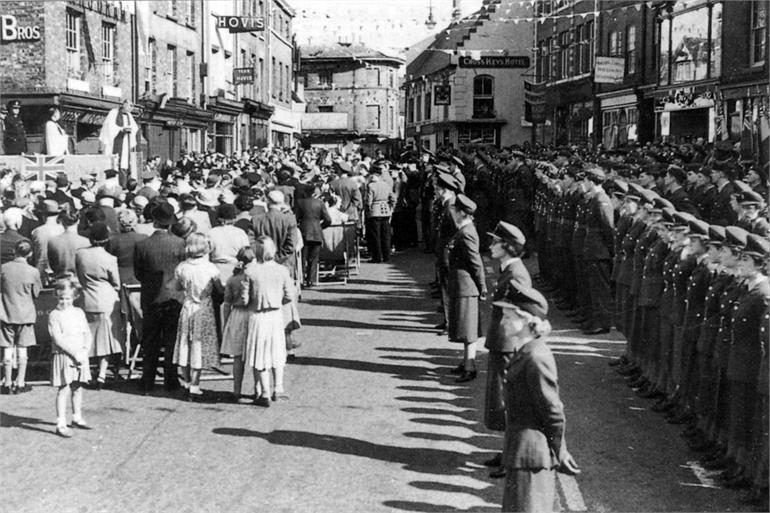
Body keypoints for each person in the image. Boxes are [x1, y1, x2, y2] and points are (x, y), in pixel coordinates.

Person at [495, 293, 580, 513]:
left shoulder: (536, 356)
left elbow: (553, 411)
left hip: (531, 457)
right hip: (521, 454)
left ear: (527, 320)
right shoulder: (525, 351)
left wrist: (560, 451)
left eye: (508, 316)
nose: (502, 321)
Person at [482, 221, 532, 476]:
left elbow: (524, 313)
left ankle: (510, 457)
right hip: (501, 341)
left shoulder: (517, 274)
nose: (491, 246)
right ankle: (506, 451)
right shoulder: (508, 269)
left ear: (508, 247)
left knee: (507, 401)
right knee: (500, 398)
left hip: (508, 343)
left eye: (495, 242)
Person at [133, 201, 185, 393]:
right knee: (172, 340)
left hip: (151, 297)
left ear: (154, 221)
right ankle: (171, 380)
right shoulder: (180, 244)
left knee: (151, 340)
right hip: (174, 297)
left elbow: (139, 273)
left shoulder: (142, 245)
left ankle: (147, 380)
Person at [243, 236, 294, 407]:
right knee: (277, 352)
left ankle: (264, 391)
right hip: (275, 314)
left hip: (257, 315)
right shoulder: (282, 270)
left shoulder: (250, 271)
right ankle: (278, 388)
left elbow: (244, 299)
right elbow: (289, 295)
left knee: (260, 354)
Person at [172, 233, 223, 400]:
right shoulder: (210, 268)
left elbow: (176, 287)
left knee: (185, 344)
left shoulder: (182, 267)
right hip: (204, 306)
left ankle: (187, 382)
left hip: (187, 306)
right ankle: (195, 384)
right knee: (198, 346)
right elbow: (219, 289)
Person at [76, 222, 123, 388]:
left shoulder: (80, 254)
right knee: (106, 340)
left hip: (86, 299)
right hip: (106, 300)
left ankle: (86, 372)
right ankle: (102, 374)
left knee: (87, 338)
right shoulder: (110, 258)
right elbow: (116, 283)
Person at [446, 194, 487, 383]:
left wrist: (482, 286)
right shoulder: (464, 229)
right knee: (464, 326)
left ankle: (470, 367)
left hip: (467, 287)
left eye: (455, 210)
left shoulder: (467, 232)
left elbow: (475, 262)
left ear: (462, 213)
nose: (453, 213)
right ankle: (465, 362)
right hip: (462, 285)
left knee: (468, 329)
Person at [47, 275, 93, 438]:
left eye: (67, 298)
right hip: (64, 355)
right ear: (56, 297)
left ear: (74, 297)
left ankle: (77, 417)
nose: (64, 301)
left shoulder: (79, 312)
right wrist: (74, 354)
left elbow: (87, 333)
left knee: (77, 387)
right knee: (64, 388)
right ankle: (60, 423)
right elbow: (57, 339)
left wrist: (84, 351)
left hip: (80, 354)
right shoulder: (54, 315)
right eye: (61, 298)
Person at [0, 240, 42, 395]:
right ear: (30, 253)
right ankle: (20, 381)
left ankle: (7, 381)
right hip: (25, 315)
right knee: (23, 350)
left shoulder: (3, 269)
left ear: (14, 251)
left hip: (5, 313)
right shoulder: (33, 272)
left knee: (7, 350)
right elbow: (36, 293)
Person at [221, 246, 254, 403]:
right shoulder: (253, 278)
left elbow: (226, 303)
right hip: (252, 314)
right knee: (255, 355)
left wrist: (226, 322)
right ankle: (258, 389)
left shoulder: (232, 279)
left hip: (236, 315)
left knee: (237, 356)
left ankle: (236, 390)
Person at [295, 182, 332, 287]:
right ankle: (311, 280)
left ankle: (301, 279)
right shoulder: (320, 203)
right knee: (314, 258)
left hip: (304, 231)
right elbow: (328, 220)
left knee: (303, 257)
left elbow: (296, 218)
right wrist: (321, 226)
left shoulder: (300, 203)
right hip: (317, 231)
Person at [99, 99, 138, 186]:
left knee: (124, 163)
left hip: (125, 142)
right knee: (115, 163)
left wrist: (129, 129)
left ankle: (123, 185)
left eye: (132, 106)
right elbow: (109, 126)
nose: (131, 108)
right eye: (130, 105)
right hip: (115, 141)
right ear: (124, 104)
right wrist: (120, 129)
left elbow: (134, 127)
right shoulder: (114, 112)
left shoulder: (129, 115)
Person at [365, 164, 395, 263]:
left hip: (375, 211)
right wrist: (391, 207)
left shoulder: (371, 186)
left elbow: (368, 201)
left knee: (375, 236)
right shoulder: (386, 184)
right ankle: (387, 256)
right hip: (385, 210)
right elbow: (392, 197)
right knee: (386, 235)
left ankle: (377, 257)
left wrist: (368, 211)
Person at [48, 207, 90, 278]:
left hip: (60, 282)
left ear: (62, 222)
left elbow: (52, 265)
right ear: (78, 221)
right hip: (80, 282)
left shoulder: (53, 242)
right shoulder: (86, 242)